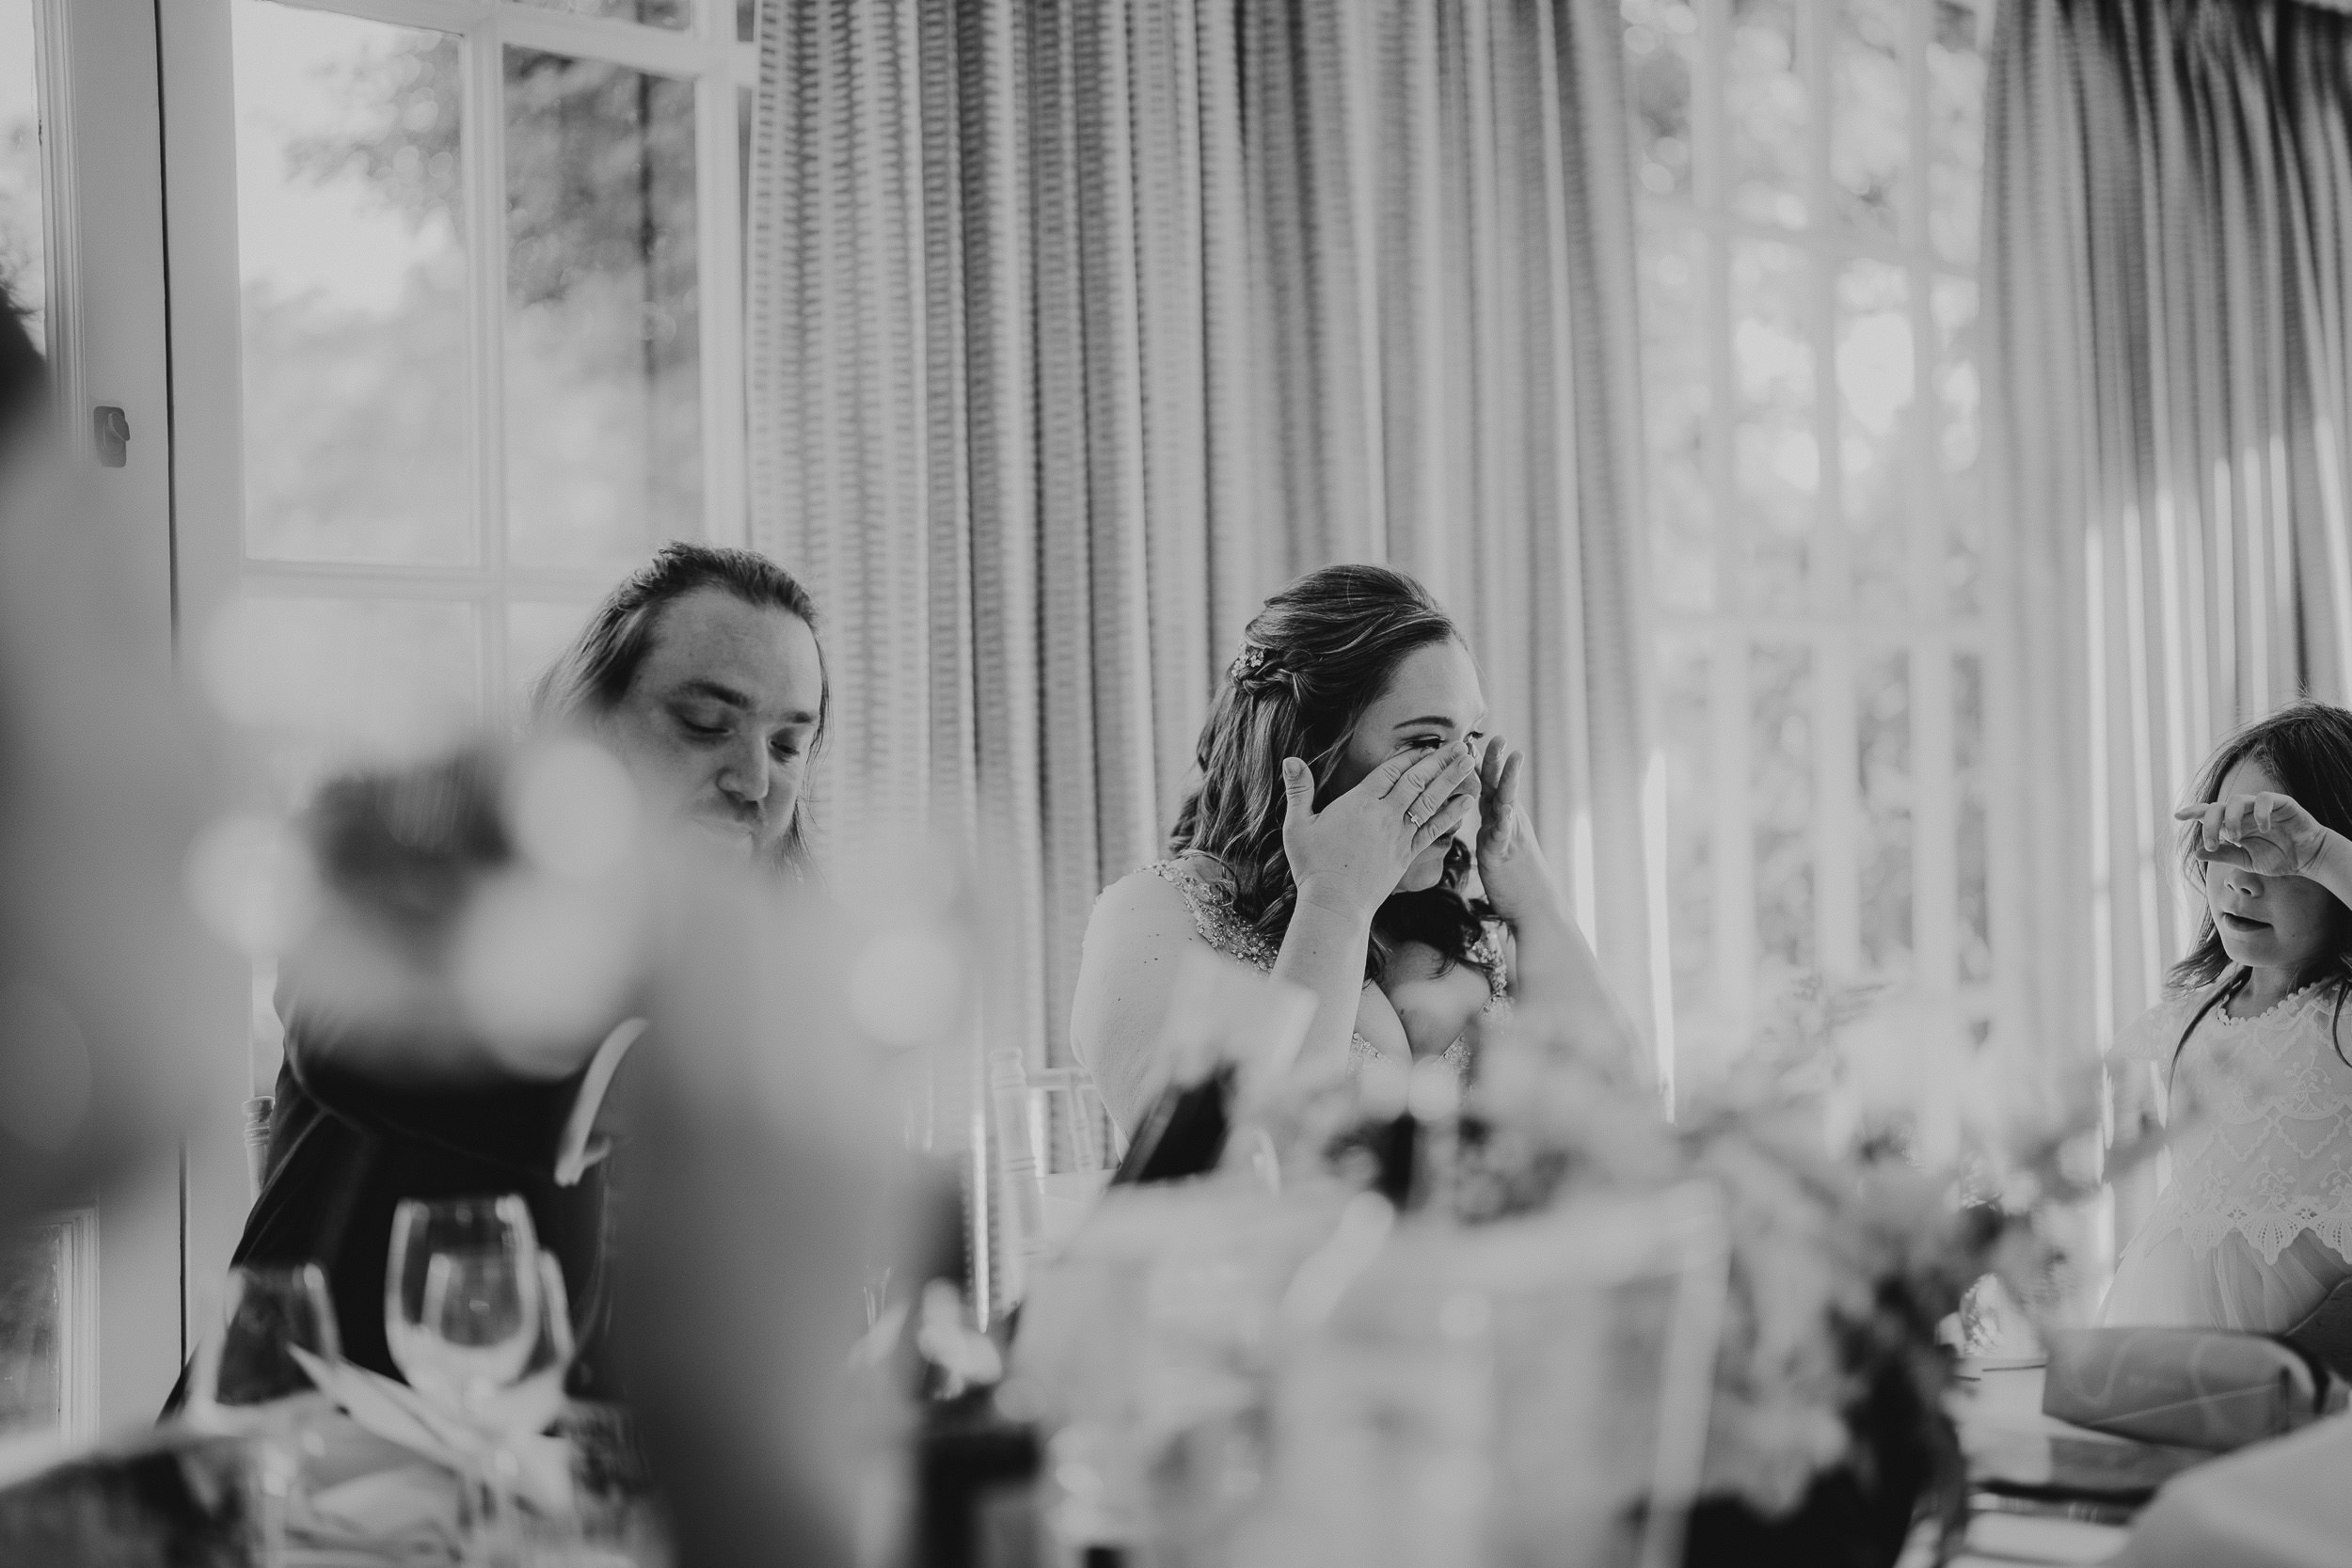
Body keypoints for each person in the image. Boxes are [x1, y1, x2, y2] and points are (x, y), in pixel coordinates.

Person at [210, 543, 830, 1396]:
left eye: (791, 744)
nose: (755, 778)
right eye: (705, 725)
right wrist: (626, 1083)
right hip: (305, 1474)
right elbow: (337, 1024)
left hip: (567, 1500)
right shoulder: (446, 868)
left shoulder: (756, 989)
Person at [1069, 562, 1636, 1135]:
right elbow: (1236, 1173)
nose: (1465, 787)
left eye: (1467, 740)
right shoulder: (1149, 915)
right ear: (1309, 753)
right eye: (1423, 743)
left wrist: (1533, 901)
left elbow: (1623, 1124)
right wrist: (1334, 901)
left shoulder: (1455, 918)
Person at [2103, 701, 2352, 1333]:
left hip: (2310, 1373)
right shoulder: (2190, 1018)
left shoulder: (2341, 1017)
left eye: (2280, 853)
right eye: (2228, 840)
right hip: (2177, 1349)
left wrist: (2320, 849)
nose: (2243, 878)